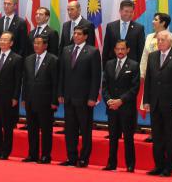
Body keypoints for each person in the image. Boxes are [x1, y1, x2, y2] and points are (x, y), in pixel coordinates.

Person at [144, 29, 172, 177]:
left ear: (170, 41)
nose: (160, 42)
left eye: (162, 40)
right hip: (155, 103)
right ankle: (158, 165)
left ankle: (169, 167)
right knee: (157, 137)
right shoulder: (152, 56)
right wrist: (146, 100)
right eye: (158, 40)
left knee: (171, 137)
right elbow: (148, 80)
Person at [58, 22, 101, 167]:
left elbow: (96, 77)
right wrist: (60, 92)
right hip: (68, 97)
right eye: (74, 33)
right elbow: (62, 73)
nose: (76, 36)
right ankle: (71, 157)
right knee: (70, 130)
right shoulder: (66, 50)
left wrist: (92, 97)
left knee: (85, 130)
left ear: (85, 36)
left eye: (79, 34)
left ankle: (83, 158)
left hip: (84, 98)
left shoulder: (93, 52)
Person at [102, 38, 139, 172]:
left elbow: (135, 88)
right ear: (114, 50)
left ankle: (130, 164)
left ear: (127, 50)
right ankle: (111, 163)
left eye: (123, 49)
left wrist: (121, 101)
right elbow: (104, 86)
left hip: (126, 108)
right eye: (118, 49)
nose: (120, 51)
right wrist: (109, 101)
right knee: (113, 137)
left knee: (128, 137)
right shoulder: (109, 64)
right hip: (112, 107)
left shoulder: (134, 65)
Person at [22, 33, 58, 164]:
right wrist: (24, 98)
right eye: (35, 43)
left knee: (46, 130)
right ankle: (33, 154)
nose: (36, 45)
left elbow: (55, 82)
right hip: (30, 100)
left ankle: (45, 155)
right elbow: (25, 81)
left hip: (46, 101)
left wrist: (54, 101)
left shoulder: (53, 60)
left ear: (45, 45)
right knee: (32, 129)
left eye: (39, 43)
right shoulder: (28, 59)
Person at [0, 32, 23, 159]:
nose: (2, 42)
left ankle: (5, 151)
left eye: (5, 40)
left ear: (11, 43)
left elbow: (18, 80)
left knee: (7, 125)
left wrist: (15, 97)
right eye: (1, 39)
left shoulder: (17, 59)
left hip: (8, 97)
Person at [103, 0, 146, 65]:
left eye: (131, 12)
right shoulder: (110, 26)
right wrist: (105, 67)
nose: (129, 14)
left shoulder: (139, 28)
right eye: (126, 11)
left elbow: (141, 51)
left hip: (132, 66)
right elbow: (106, 49)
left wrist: (139, 68)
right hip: (113, 65)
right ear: (120, 11)